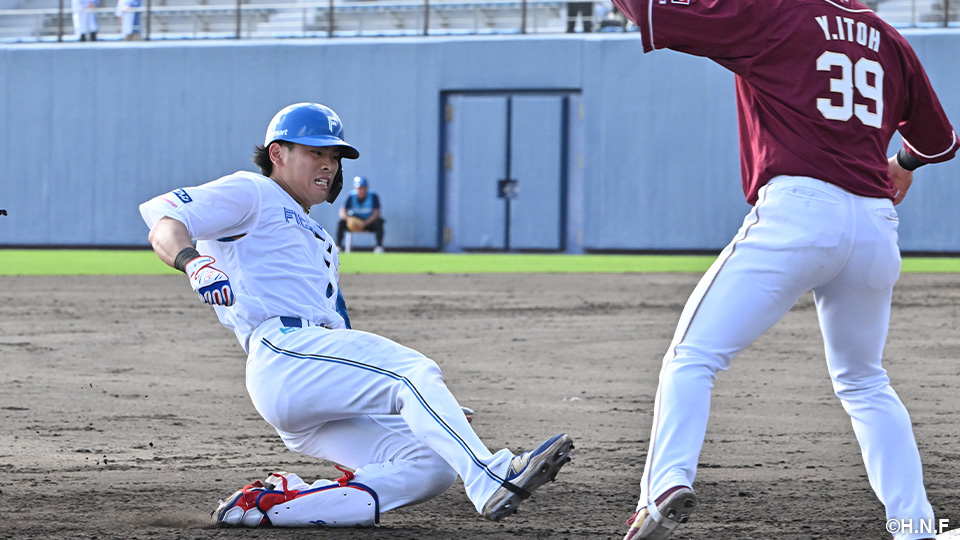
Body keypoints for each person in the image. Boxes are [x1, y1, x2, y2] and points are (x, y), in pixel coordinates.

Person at [605, 0, 959, 539]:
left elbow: (650, 11)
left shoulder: (776, 11)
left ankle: (663, 485)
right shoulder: (888, 36)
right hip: (874, 224)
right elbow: (939, 141)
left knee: (693, 357)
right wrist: (902, 164)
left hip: (799, 211)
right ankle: (914, 527)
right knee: (864, 381)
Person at [138, 102, 573, 529]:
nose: (328, 165)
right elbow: (164, 219)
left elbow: (343, 341)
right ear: (277, 154)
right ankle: (490, 474)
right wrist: (192, 262)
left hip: (308, 374)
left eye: (334, 156)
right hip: (283, 351)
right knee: (413, 370)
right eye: (315, 153)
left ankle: (270, 506)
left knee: (431, 464)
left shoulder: (320, 238)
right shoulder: (255, 192)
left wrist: (428, 409)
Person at [336, 176, 385, 253]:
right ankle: (338, 246)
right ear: (355, 188)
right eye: (359, 188)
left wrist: (364, 223)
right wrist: (350, 220)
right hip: (354, 221)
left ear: (366, 188)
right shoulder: (351, 196)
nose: (361, 190)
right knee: (341, 223)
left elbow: (376, 213)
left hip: (368, 221)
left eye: (363, 188)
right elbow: (342, 212)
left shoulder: (373, 196)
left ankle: (379, 246)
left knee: (379, 222)